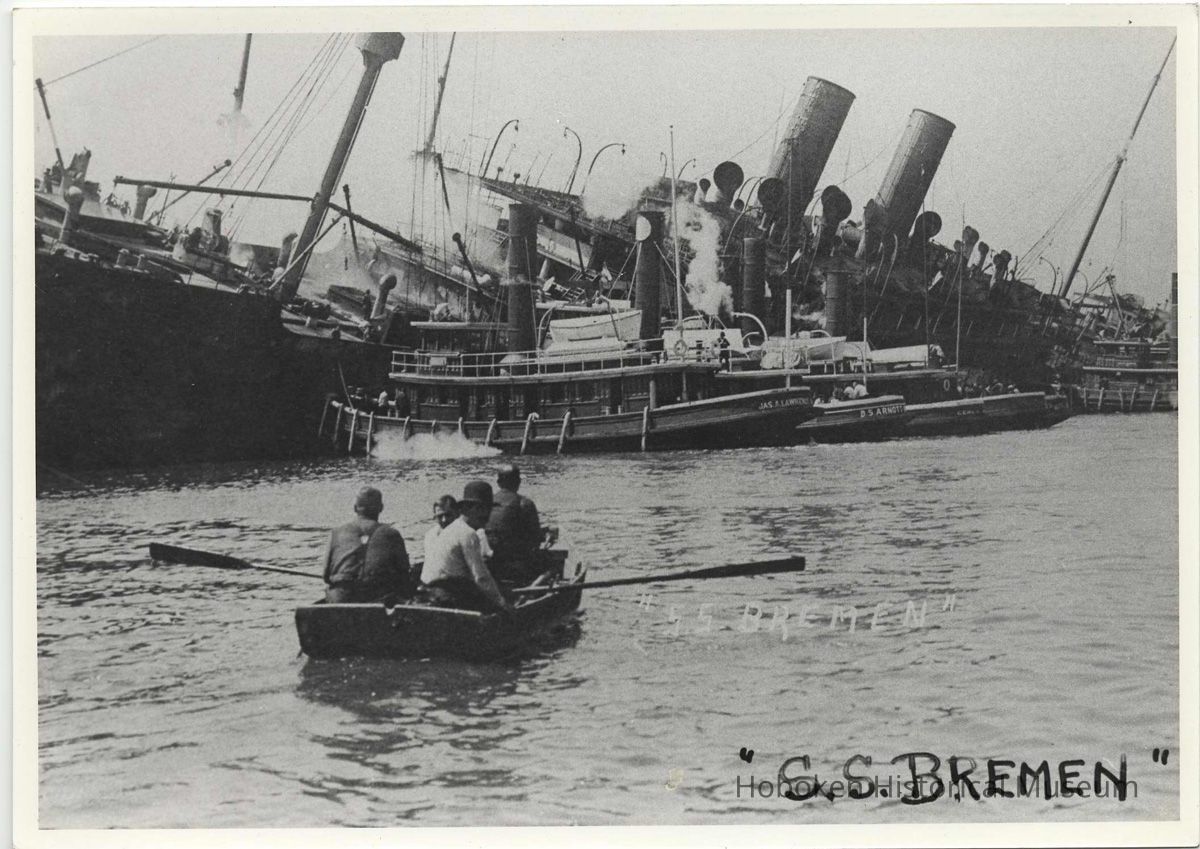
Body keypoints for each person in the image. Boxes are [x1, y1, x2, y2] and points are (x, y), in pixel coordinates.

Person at [420, 481, 512, 613]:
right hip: (446, 598)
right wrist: (502, 603)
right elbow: (481, 578)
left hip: (427, 592)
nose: (487, 516)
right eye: (483, 509)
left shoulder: (449, 530)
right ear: (469, 509)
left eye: (487, 509)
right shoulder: (468, 533)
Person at [322, 487, 413, 603]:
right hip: (377, 599)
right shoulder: (392, 534)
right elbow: (403, 574)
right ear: (381, 508)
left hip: (341, 598)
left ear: (355, 508)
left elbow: (325, 576)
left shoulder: (336, 533)